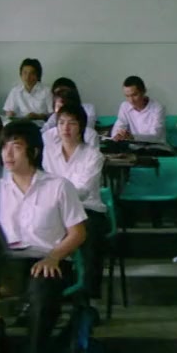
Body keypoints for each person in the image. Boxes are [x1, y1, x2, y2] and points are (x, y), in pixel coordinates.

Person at [0, 119, 88, 353]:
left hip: (50, 258)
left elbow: (78, 233)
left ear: (34, 152)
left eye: (16, 147)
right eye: (4, 147)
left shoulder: (58, 186)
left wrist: (54, 256)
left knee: (42, 295)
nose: (7, 154)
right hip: (9, 260)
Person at [42, 102, 108, 296]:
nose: (66, 128)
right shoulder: (48, 153)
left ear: (81, 127)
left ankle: (87, 295)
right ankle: (50, 289)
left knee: (88, 233)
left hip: (87, 209)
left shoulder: (93, 155)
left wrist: (56, 195)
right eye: (61, 123)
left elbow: (83, 191)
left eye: (72, 123)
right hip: (54, 209)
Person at [112, 75, 167, 143]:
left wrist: (132, 137)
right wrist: (118, 135)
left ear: (144, 91)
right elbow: (119, 126)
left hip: (156, 147)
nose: (131, 100)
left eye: (134, 95)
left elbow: (156, 136)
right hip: (134, 147)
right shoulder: (125, 106)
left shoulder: (158, 108)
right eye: (127, 96)